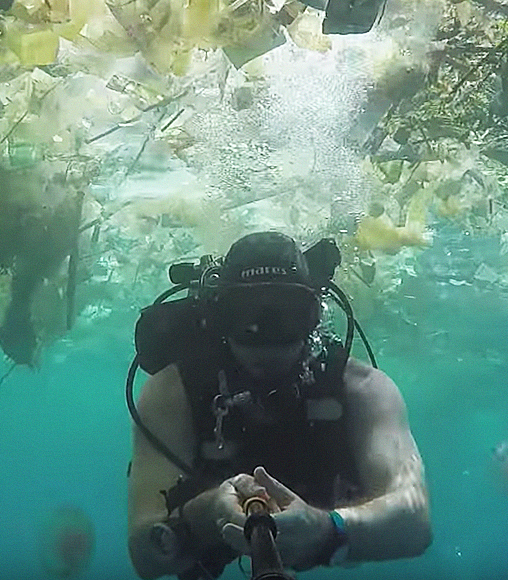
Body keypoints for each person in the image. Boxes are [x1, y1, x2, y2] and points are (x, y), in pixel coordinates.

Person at [127, 231, 431, 579]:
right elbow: (144, 554)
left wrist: (326, 530)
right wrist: (205, 515)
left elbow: (416, 521)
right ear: (217, 318)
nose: (265, 338)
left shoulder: (363, 390)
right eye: (244, 315)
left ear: (314, 316)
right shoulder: (173, 393)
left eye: (288, 315)